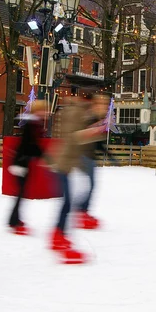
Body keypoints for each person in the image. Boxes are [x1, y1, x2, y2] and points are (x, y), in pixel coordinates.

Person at [49, 96, 107, 264]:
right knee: (67, 203)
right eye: (102, 104)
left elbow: (80, 139)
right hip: (63, 163)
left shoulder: (84, 115)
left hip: (68, 163)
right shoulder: (78, 114)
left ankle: (58, 235)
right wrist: (93, 131)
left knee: (67, 203)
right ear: (94, 104)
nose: (104, 108)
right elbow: (73, 137)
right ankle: (58, 237)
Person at [7, 100, 48, 235]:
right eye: (43, 110)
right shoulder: (32, 124)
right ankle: (14, 221)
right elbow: (31, 145)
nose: (45, 113)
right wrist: (45, 157)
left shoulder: (34, 123)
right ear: (37, 111)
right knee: (21, 193)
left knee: (21, 193)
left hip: (23, 162)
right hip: (21, 163)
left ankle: (14, 220)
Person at [76, 94, 110, 230]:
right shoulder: (89, 117)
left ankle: (82, 210)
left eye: (105, 106)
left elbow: (98, 141)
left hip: (90, 156)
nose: (104, 108)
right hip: (84, 156)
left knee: (91, 185)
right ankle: (81, 210)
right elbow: (81, 136)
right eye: (102, 105)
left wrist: (108, 153)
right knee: (89, 185)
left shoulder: (97, 119)